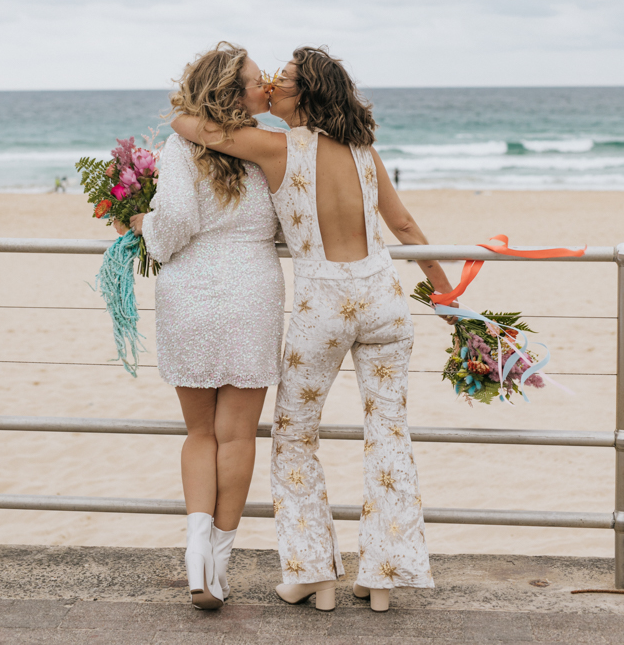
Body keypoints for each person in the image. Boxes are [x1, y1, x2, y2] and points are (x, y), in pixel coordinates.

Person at [172, 46, 454, 613]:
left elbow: (193, 126)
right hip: (383, 300)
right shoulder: (362, 149)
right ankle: (382, 577)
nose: (271, 87)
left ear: (304, 94)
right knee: (389, 433)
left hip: (323, 304)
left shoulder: (277, 148)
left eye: (282, 80)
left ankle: (312, 573)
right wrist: (446, 296)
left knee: (295, 437)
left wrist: (185, 108)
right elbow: (403, 224)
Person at [117, 43, 285, 610]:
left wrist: (144, 223)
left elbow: (177, 223)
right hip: (252, 292)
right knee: (237, 435)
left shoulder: (181, 146)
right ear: (232, 94)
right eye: (258, 81)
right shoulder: (267, 152)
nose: (267, 88)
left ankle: (194, 547)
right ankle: (220, 559)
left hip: (190, 291)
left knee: (199, 433)